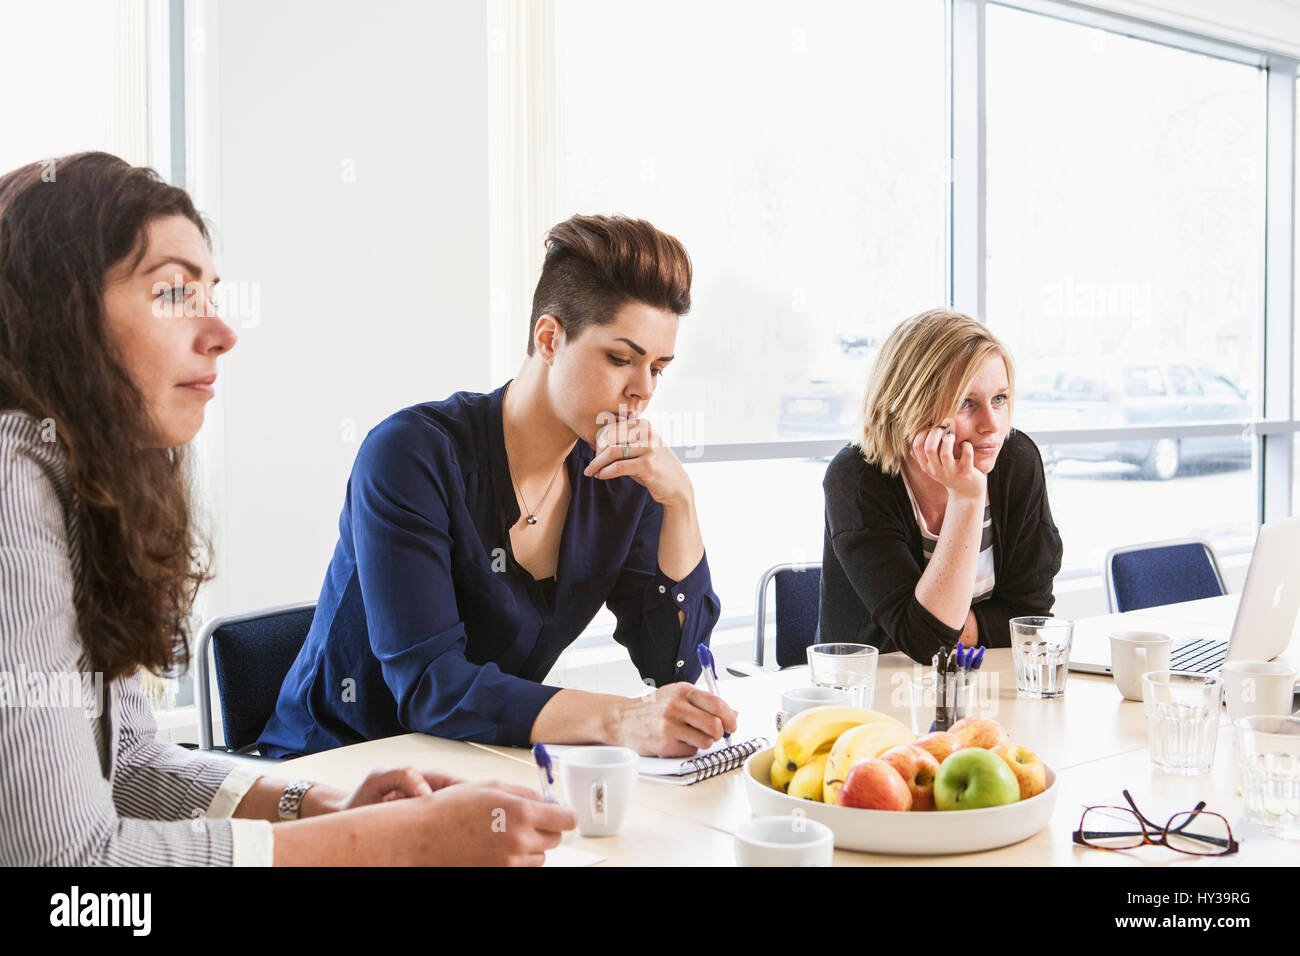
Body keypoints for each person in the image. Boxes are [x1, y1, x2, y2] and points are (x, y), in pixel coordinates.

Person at [0, 152, 575, 865]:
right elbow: (68, 878)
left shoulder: (73, 483)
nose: (222, 332)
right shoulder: (9, 488)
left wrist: (316, 805)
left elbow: (134, 762)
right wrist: (394, 842)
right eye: (175, 292)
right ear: (59, 314)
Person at [260, 214, 736, 759]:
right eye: (620, 359)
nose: (642, 390)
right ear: (550, 338)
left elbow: (671, 668)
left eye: (659, 368)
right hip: (333, 771)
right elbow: (429, 688)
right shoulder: (411, 455)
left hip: (477, 768)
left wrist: (680, 502)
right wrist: (619, 719)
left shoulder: (622, 478)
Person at [819, 308, 1063, 664]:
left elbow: (1030, 617)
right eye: (966, 403)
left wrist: (945, 630)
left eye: (1000, 399)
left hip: (986, 679)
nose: (992, 425)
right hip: (874, 692)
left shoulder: (1015, 461)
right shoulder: (856, 479)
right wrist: (967, 498)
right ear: (910, 405)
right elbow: (926, 643)